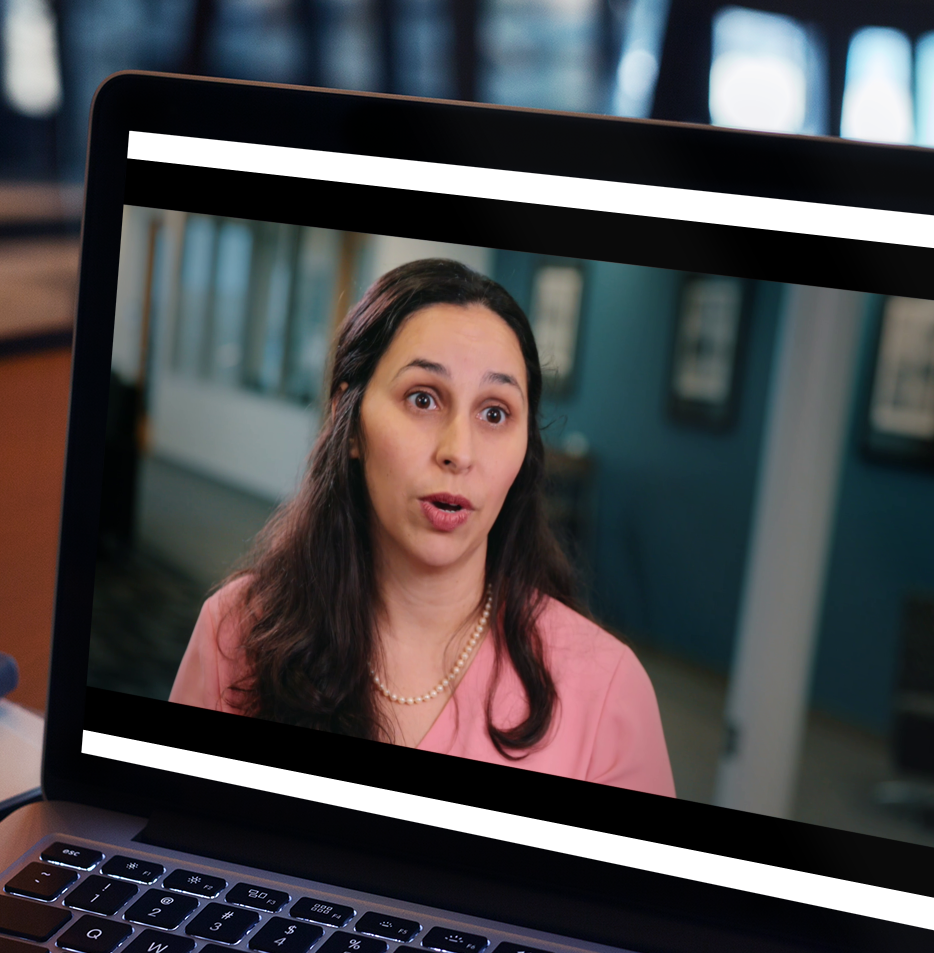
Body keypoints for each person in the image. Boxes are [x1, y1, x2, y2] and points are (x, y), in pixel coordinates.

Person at [171, 258, 674, 798]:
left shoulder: (608, 690)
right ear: (351, 421)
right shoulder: (237, 628)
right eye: (423, 399)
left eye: (495, 413)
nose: (458, 452)